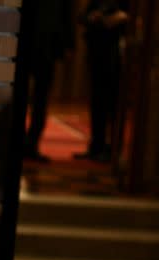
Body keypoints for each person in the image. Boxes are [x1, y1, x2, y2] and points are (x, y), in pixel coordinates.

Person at [73, 0, 128, 162]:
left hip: (116, 57)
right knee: (97, 103)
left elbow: (132, 17)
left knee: (112, 104)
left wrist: (122, 18)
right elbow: (82, 17)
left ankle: (111, 149)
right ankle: (96, 146)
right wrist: (93, 17)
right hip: (97, 53)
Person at [23, 0, 74, 163]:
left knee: (40, 100)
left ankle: (32, 144)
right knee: (22, 99)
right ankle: (20, 143)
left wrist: (67, 45)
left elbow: (66, 16)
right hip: (26, 46)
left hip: (47, 49)